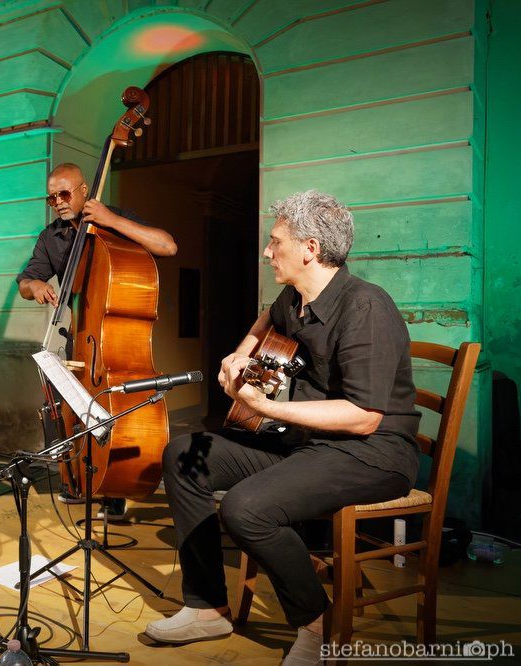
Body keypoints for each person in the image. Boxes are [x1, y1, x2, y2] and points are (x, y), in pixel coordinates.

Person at [145, 191, 420, 666]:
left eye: (275, 242)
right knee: (184, 455)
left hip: (372, 453)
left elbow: (364, 416)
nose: (267, 251)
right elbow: (267, 320)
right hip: (308, 443)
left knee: (246, 508)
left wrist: (266, 408)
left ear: (310, 248)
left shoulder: (366, 308)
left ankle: (318, 626)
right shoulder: (295, 298)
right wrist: (239, 355)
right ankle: (208, 608)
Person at [17, 162, 178, 518]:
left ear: (83, 190)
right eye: (51, 197)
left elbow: (167, 246)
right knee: (70, 409)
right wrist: (36, 285)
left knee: (114, 412)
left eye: (64, 194)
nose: (58, 202)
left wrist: (111, 219)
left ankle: (114, 486)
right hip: (80, 340)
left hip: (115, 346)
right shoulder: (51, 237)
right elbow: (25, 281)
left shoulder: (116, 219)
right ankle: (78, 479)